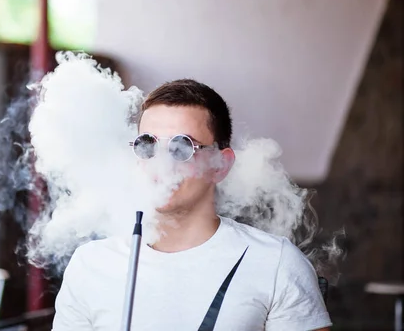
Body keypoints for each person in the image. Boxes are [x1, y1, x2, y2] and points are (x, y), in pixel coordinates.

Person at [52, 79, 332, 331]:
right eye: (147, 144)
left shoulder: (276, 263)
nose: (162, 162)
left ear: (221, 165)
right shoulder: (91, 264)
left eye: (182, 146)